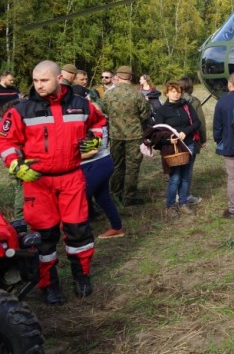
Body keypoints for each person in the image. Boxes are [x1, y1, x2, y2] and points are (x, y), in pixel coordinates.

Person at [0, 60, 105, 304]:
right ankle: (49, 285)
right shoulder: (21, 109)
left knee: (79, 231)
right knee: (43, 237)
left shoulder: (81, 105)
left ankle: (82, 277)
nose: (39, 86)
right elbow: (5, 141)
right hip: (38, 182)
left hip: (71, 178)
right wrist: (15, 164)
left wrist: (95, 141)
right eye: (35, 81)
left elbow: (99, 124)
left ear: (59, 79)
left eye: (44, 80)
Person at [152, 81, 201, 219]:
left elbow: (197, 122)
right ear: (167, 93)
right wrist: (169, 140)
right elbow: (157, 132)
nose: (176, 94)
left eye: (178, 91)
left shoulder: (186, 105)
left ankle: (183, 203)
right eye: (173, 91)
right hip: (172, 147)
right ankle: (170, 205)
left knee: (186, 176)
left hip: (188, 144)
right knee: (175, 177)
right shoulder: (162, 111)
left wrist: (185, 132)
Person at [102, 65, 150, 205]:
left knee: (117, 165)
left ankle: (115, 194)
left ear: (117, 76)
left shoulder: (109, 94)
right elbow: (145, 115)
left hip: (115, 135)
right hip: (134, 135)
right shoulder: (137, 94)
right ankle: (129, 196)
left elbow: (104, 113)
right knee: (132, 166)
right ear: (130, 77)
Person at [213, 72, 234, 218]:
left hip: (229, 145)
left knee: (232, 178)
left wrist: (219, 140)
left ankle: (233, 209)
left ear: (229, 84)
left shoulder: (222, 102)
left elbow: (217, 127)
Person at [178, 76, 205, 205]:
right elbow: (201, 122)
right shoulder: (194, 101)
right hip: (190, 139)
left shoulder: (171, 99)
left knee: (176, 168)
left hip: (174, 139)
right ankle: (185, 195)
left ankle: (177, 194)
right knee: (187, 169)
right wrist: (203, 139)